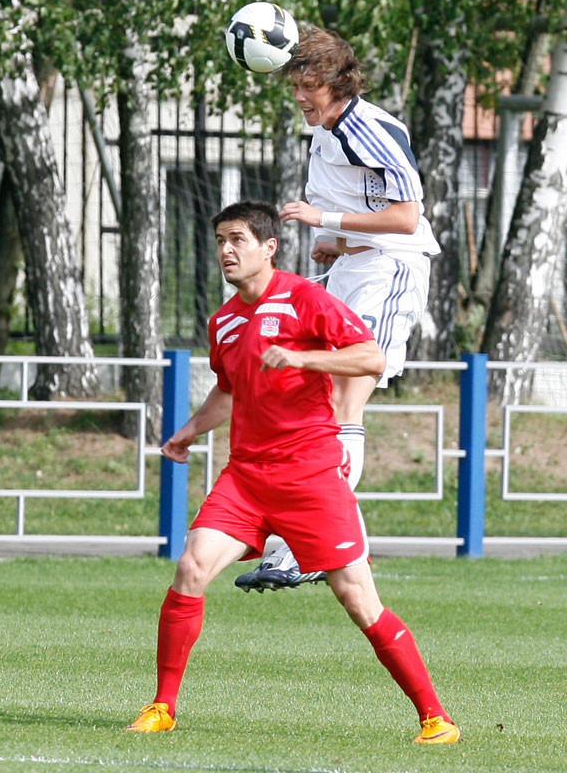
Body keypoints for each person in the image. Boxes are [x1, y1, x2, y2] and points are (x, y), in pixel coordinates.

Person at [124, 200, 460, 744]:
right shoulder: (224, 321)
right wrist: (189, 431)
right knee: (191, 568)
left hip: (310, 476)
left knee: (358, 599)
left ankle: (436, 718)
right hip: (245, 477)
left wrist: (306, 359)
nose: (227, 250)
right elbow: (228, 391)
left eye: (238, 239)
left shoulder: (306, 298)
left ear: (269, 247)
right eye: (220, 241)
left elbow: (371, 357)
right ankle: (162, 706)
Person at [235, 25, 441, 593]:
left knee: (342, 400)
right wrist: (340, 243)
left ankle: (301, 549)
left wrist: (323, 221)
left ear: (338, 84)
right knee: (310, 403)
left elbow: (406, 218)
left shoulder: (367, 129)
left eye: (309, 87)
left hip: (391, 271)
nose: (300, 97)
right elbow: (371, 209)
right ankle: (334, 546)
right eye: (295, 86)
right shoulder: (327, 133)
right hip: (356, 267)